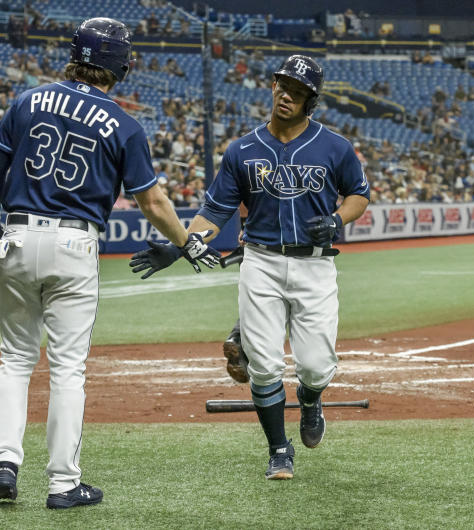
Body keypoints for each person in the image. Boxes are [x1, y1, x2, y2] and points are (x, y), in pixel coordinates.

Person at [0, 18, 219, 510]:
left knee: (15, 359)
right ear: (121, 67)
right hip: (74, 245)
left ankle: (5, 464)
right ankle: (63, 484)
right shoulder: (125, 124)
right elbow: (152, 203)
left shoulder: (27, 100)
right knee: (67, 369)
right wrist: (188, 243)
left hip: (18, 236)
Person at [130, 55, 370, 479]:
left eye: (296, 91)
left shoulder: (335, 146)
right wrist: (184, 245)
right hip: (260, 260)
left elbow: (358, 195)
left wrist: (337, 220)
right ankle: (279, 449)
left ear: (310, 101)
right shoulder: (243, 149)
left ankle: (311, 402)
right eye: (281, 85)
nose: (285, 95)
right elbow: (216, 209)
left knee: (316, 366)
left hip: (315, 267)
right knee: (263, 364)